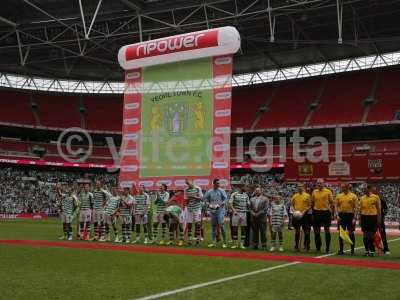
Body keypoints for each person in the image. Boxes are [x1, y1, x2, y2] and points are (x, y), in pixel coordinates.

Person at [311, 179, 334, 253]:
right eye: (318, 183)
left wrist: (332, 212)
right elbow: (312, 203)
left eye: (321, 183)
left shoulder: (328, 191)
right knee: (316, 231)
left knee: (327, 230)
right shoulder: (314, 192)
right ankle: (318, 248)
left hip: (326, 212)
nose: (319, 184)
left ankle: (327, 248)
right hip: (316, 212)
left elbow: (332, 202)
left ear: (324, 184)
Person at [203, 178, 228, 248]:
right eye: (217, 183)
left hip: (220, 210)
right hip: (212, 210)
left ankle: (224, 242)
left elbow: (225, 199)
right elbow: (205, 199)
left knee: (221, 225)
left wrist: (221, 204)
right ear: (213, 184)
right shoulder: (210, 191)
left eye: (219, 183)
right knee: (213, 226)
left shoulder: (221, 191)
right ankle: (214, 242)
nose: (219, 184)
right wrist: (208, 204)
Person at [335, 183, 358, 255]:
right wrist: (337, 215)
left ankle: (352, 250)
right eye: (341, 187)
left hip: (350, 215)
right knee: (341, 233)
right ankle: (341, 250)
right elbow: (336, 206)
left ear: (347, 187)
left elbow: (356, 208)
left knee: (351, 232)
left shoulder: (353, 196)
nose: (342, 188)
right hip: (341, 216)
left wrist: (354, 218)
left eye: (343, 187)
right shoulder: (339, 196)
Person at [359, 185, 381, 257]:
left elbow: (378, 209)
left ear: (369, 189)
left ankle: (372, 251)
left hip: (372, 217)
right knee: (365, 235)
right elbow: (360, 209)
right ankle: (366, 251)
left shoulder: (375, 197)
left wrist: (379, 219)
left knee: (371, 235)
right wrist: (359, 219)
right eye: (363, 189)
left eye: (364, 189)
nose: (363, 190)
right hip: (364, 217)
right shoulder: (362, 198)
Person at [290, 183, 312, 252]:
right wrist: (294, 211)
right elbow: (291, 205)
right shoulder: (294, 196)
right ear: (297, 188)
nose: (299, 188)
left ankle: (307, 246)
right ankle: (296, 246)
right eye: (298, 186)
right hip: (296, 215)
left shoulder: (307, 195)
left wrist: (304, 211)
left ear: (303, 187)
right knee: (297, 231)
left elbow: (310, 205)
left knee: (306, 231)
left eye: (301, 186)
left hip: (305, 215)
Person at [228, 183, 250, 249]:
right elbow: (230, 203)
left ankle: (241, 244)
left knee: (243, 229)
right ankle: (235, 244)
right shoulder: (234, 194)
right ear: (241, 187)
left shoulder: (246, 195)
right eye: (245, 187)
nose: (246, 188)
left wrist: (248, 208)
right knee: (235, 229)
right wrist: (234, 211)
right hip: (236, 213)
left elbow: (248, 204)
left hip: (243, 213)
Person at [184, 179, 203, 245]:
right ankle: (189, 239)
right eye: (186, 183)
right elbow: (186, 200)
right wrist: (188, 200)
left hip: (197, 208)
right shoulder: (186, 190)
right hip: (189, 208)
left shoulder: (198, 188)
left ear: (191, 181)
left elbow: (201, 198)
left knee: (197, 224)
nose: (187, 184)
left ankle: (198, 239)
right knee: (189, 224)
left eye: (188, 183)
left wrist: (194, 197)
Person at [372, 186, 390, 254]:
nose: (373, 192)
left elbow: (386, 209)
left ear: (377, 191)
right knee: (373, 234)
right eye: (372, 191)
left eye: (375, 191)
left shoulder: (381, 199)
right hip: (372, 219)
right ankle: (373, 249)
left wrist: (382, 215)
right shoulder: (371, 199)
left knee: (383, 234)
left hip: (380, 220)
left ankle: (386, 249)